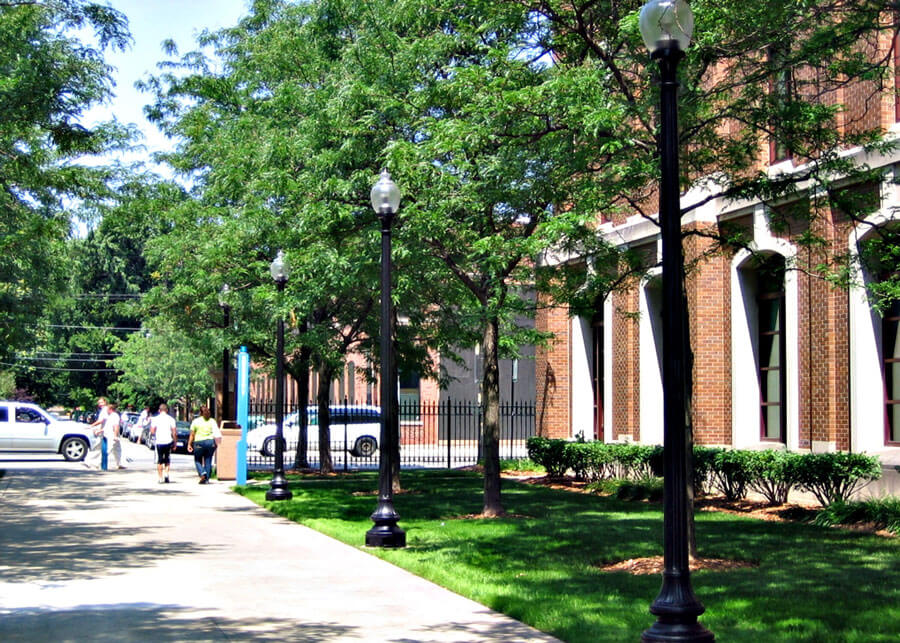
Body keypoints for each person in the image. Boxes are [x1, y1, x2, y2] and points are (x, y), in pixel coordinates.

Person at [187, 405, 219, 484]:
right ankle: (207, 479)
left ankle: (202, 473)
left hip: (199, 443)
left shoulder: (196, 421)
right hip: (210, 442)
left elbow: (192, 434)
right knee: (208, 460)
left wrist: (189, 444)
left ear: (200, 413)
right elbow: (216, 432)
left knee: (197, 460)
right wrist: (216, 443)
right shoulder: (212, 421)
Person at [151, 403, 177, 483]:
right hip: (168, 441)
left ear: (159, 410)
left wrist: (156, 432)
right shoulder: (171, 419)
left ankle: (160, 477)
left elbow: (152, 431)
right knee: (167, 459)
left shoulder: (155, 419)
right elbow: (174, 432)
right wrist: (175, 442)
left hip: (159, 441)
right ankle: (166, 474)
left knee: (159, 460)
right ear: (167, 410)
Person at [84, 397, 108, 470]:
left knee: (99, 447)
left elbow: (101, 421)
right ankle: (94, 463)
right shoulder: (103, 410)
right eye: (99, 403)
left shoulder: (105, 410)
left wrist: (92, 426)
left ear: (105, 402)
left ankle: (90, 462)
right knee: (99, 447)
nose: (100, 404)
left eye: (101, 402)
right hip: (104, 430)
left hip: (106, 431)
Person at [103, 401, 124, 469]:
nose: (106, 411)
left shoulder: (115, 416)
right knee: (116, 449)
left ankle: (118, 464)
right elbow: (107, 426)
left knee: (110, 449)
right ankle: (118, 464)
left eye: (107, 410)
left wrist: (115, 435)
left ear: (110, 409)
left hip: (112, 435)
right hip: (110, 434)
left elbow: (116, 426)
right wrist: (100, 431)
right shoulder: (111, 416)